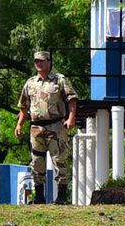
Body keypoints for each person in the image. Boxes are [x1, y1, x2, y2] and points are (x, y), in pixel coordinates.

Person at [15, 49, 79, 204]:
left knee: (60, 159)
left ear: (49, 62)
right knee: (37, 162)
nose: (39, 63)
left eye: (42, 61)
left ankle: (62, 196)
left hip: (56, 126)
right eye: (36, 61)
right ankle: (39, 196)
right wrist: (19, 124)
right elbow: (23, 106)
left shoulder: (59, 80)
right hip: (36, 128)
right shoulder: (30, 83)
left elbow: (72, 99)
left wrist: (71, 118)